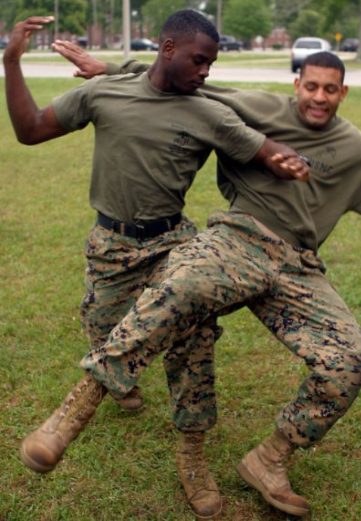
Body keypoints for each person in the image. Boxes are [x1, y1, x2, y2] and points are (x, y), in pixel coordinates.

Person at [19, 49, 361, 519]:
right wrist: (113, 69)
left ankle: (269, 461)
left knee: (350, 361)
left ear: (343, 93)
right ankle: (80, 405)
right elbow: (187, 83)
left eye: (330, 89)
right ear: (297, 84)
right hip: (239, 238)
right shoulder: (259, 108)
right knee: (180, 286)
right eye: (311, 86)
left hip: (298, 266)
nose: (319, 97)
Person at [4, 11, 311, 520]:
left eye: (212, 63)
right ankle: (120, 381)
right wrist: (11, 62)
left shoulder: (206, 111)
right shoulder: (105, 93)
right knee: (106, 331)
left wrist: (292, 160)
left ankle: (192, 455)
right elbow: (30, 130)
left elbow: (264, 149)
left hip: (173, 244)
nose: (206, 71)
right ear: (168, 49)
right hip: (111, 245)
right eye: (199, 59)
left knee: (193, 340)